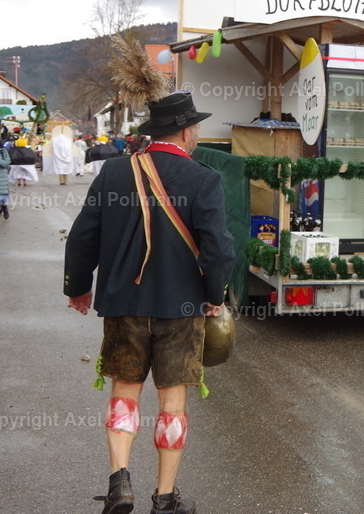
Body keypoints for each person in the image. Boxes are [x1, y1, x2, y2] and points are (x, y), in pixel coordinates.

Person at [64, 92, 235, 514]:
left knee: (125, 395)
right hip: (180, 308)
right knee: (172, 405)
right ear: (185, 130)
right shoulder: (203, 178)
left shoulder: (114, 173)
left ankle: (120, 485)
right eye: (195, 127)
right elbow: (218, 249)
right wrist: (215, 297)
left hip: (123, 305)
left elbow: (83, 236)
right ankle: (164, 497)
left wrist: (78, 287)